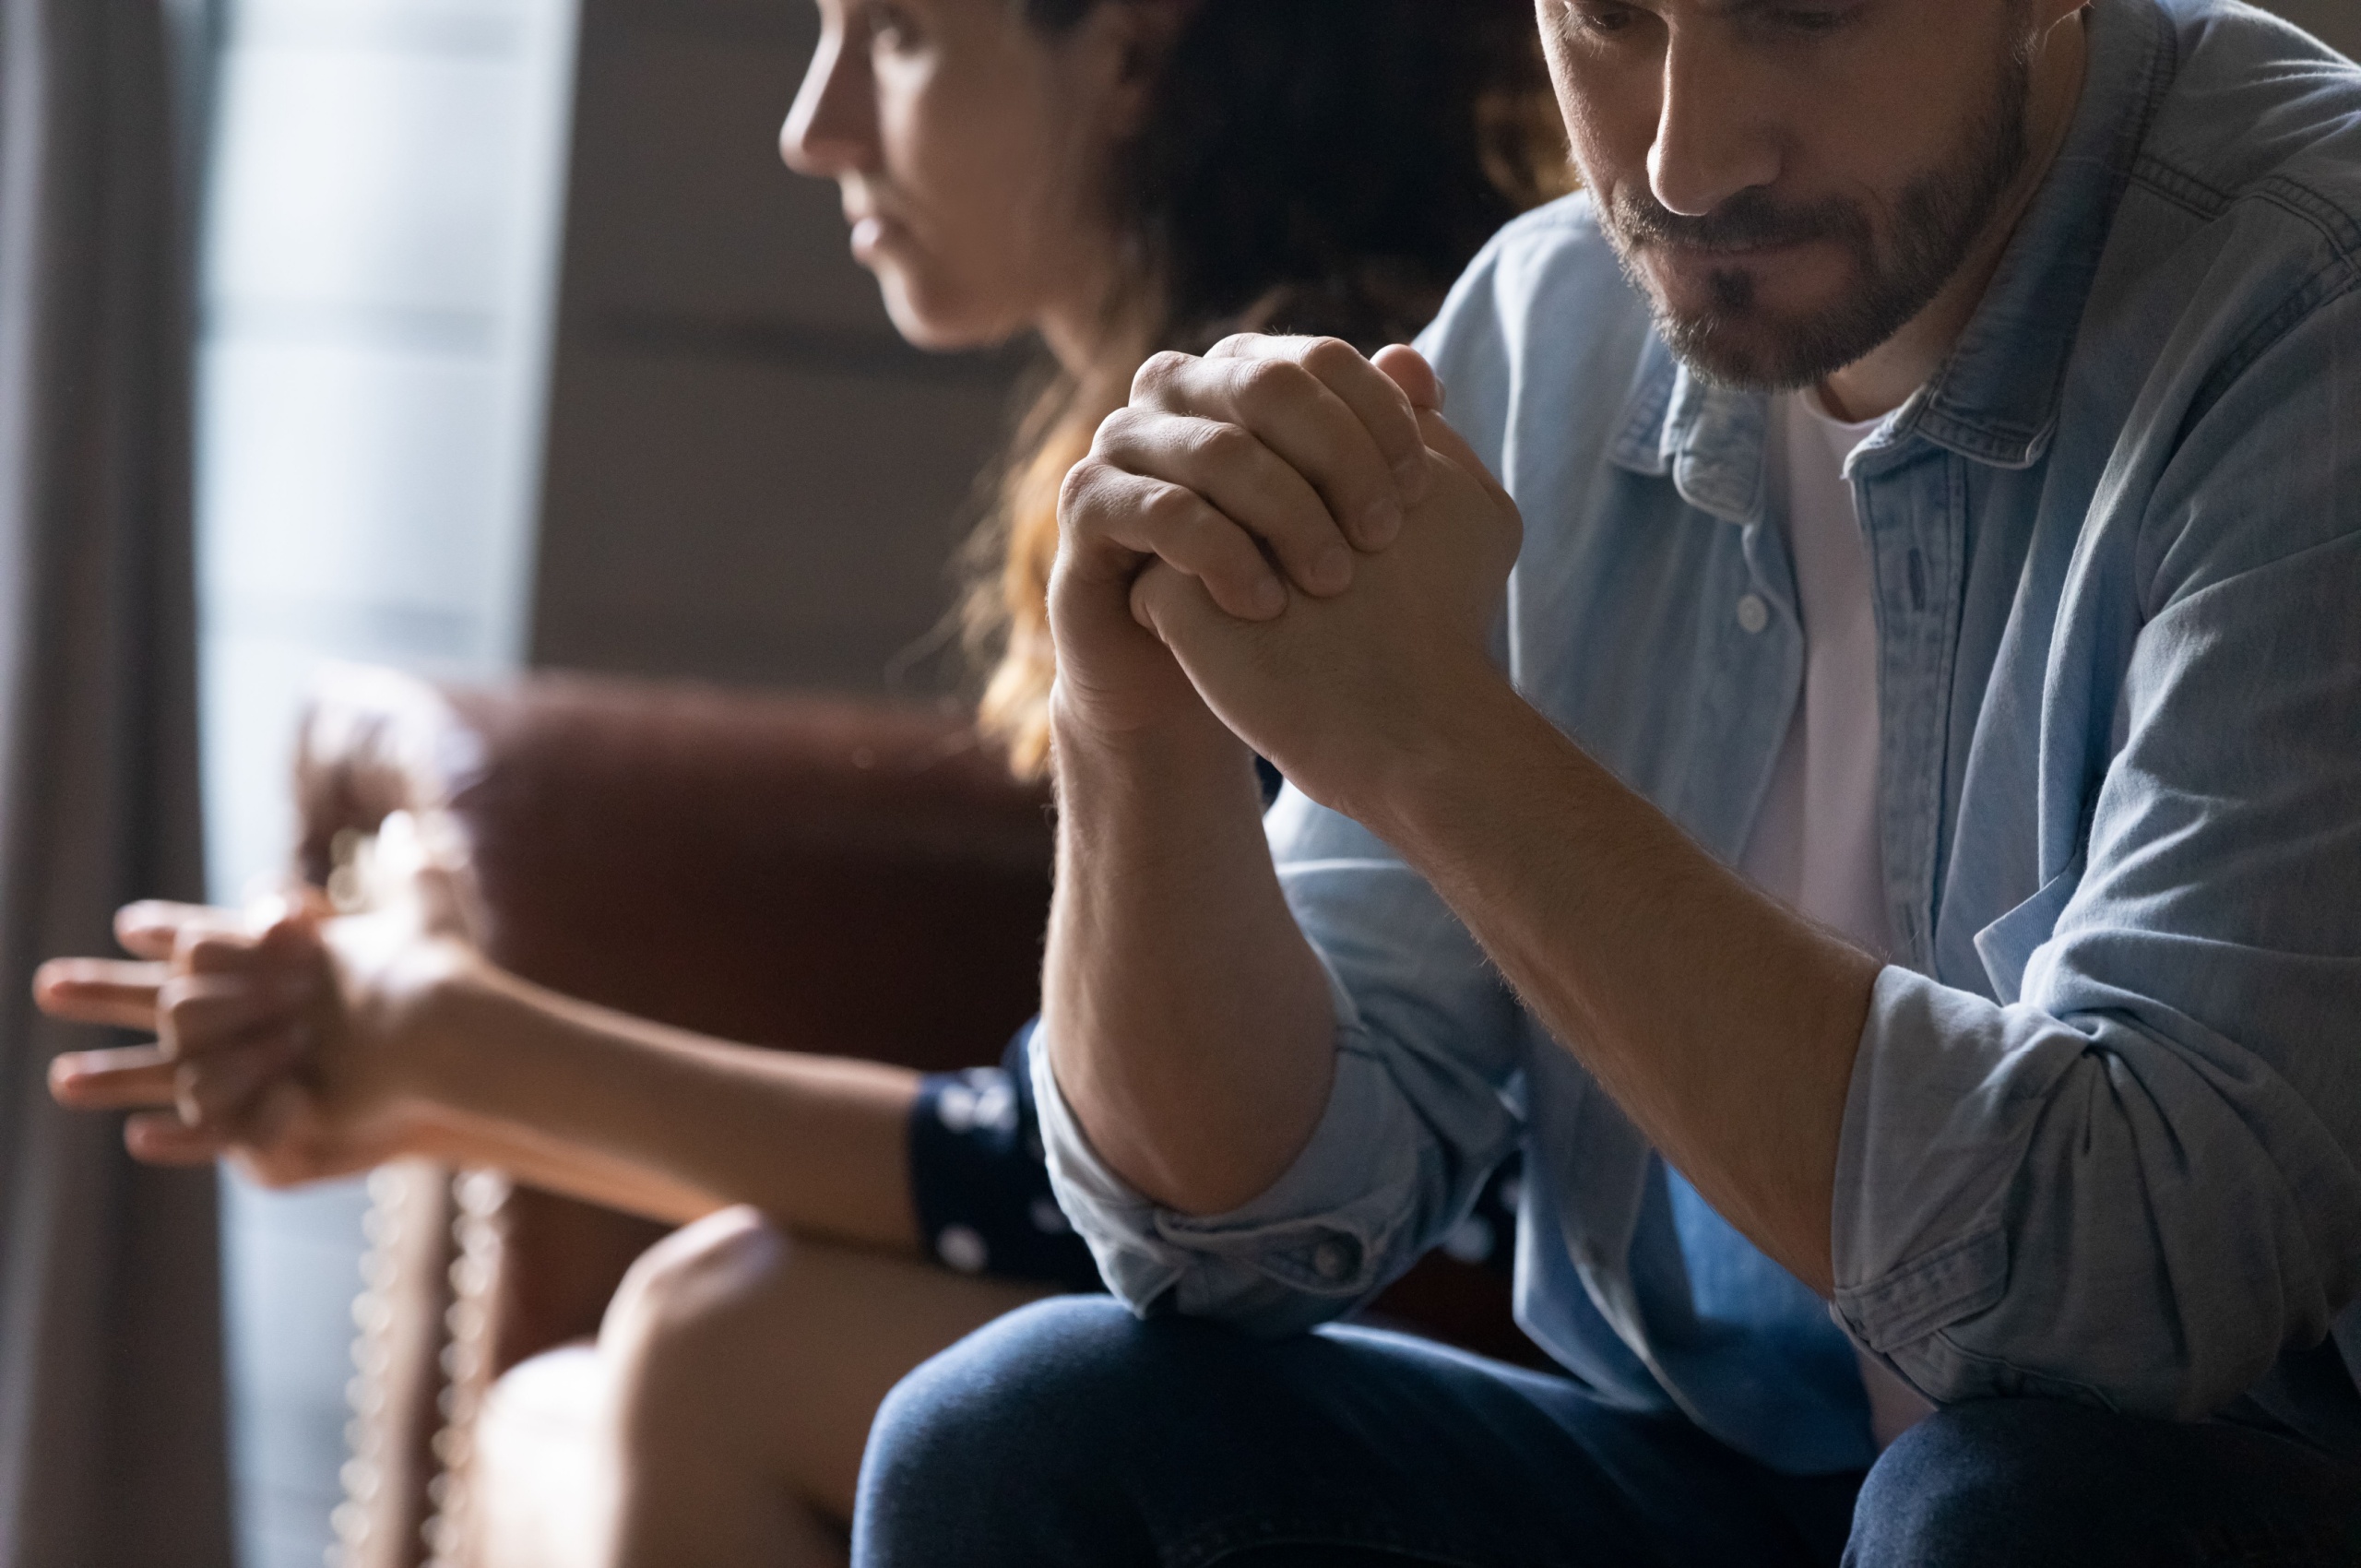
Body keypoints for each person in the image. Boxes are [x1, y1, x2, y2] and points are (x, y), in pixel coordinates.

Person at [29, 2, 1562, 1564]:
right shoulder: (1190, 424)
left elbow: (1106, 1186)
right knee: (596, 1407)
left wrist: (457, 1055)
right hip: (1318, 1309)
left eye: (893, 34)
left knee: (725, 1339)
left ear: (1130, 49)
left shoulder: (1320, 454)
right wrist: (422, 1073)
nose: (813, 127)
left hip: (1479, 1359)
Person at [845, 0, 2361, 1563]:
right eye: (1610, 18)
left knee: (2010, 1512)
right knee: (1030, 1434)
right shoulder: (1553, 323)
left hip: (2214, 1491)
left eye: (1804, 13)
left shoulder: (2313, 299)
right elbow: (1225, 1231)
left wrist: (1445, 749)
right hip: (1751, 1478)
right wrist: (1133, 724)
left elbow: (2142, 1297)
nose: (1686, 161)